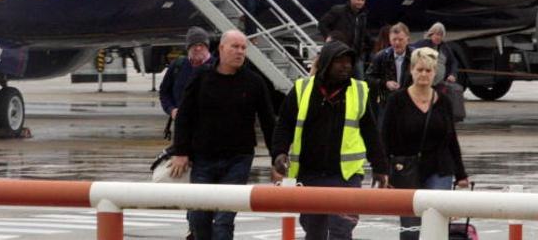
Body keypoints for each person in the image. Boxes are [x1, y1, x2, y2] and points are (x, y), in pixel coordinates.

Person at [271, 40, 388, 239]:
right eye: (339, 61)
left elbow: (370, 131)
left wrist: (380, 167)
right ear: (326, 63)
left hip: (346, 175)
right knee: (314, 231)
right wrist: (279, 153)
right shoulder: (302, 88)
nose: (346, 66)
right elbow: (284, 125)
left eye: (349, 62)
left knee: (341, 231)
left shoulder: (359, 90)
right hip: (310, 174)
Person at [169, 30, 275, 239]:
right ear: (221, 48)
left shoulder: (254, 82)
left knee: (223, 221)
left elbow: (268, 122)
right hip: (203, 159)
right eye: (234, 47)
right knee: (200, 218)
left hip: (238, 159)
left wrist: (277, 158)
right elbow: (184, 117)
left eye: (243, 48)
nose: (239, 52)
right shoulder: (201, 78)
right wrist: (180, 152)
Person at [382, 47, 469, 240]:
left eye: (428, 71)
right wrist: (385, 172)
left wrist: (461, 174)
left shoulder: (444, 101)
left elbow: (451, 139)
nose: (424, 74)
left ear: (434, 73)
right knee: (411, 230)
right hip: (407, 170)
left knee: (437, 223)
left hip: (439, 168)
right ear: (411, 70)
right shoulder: (397, 100)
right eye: (419, 69)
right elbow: (385, 138)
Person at [159, 27, 212, 124]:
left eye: (201, 45)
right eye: (194, 45)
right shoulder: (178, 66)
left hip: (209, 128)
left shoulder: (217, 65)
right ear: (188, 47)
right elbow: (164, 92)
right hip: (184, 127)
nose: (198, 48)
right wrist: (171, 110)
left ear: (207, 46)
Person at [318, 0, 372, 78]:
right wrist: (329, 39)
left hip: (356, 56)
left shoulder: (363, 16)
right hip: (339, 54)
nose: (360, 2)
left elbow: (363, 34)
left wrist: (365, 48)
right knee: (338, 79)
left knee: (359, 83)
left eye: (363, 0)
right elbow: (322, 24)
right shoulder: (338, 10)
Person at [365, 22, 413, 122]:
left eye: (400, 39)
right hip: (387, 103)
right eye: (394, 39)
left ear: (408, 39)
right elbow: (368, 78)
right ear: (389, 40)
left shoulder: (416, 56)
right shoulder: (381, 56)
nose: (397, 43)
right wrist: (385, 83)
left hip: (410, 101)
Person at [411, 22, 458, 86]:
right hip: (424, 83)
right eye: (436, 34)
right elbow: (410, 49)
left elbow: (453, 62)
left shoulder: (445, 47)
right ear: (431, 34)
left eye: (441, 35)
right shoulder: (423, 44)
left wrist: (452, 74)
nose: (438, 37)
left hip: (440, 84)